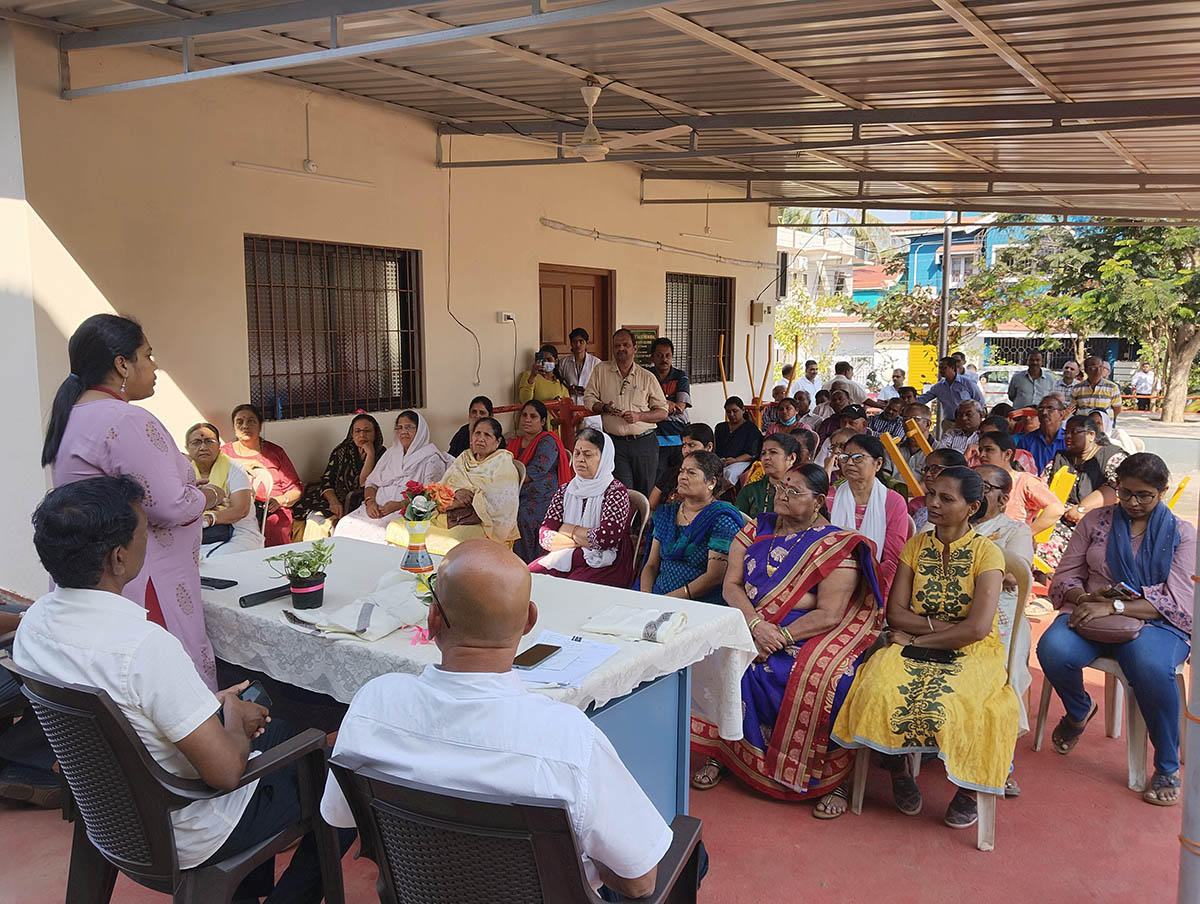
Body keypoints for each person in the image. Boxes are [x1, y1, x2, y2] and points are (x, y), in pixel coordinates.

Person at [16, 476, 354, 901]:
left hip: (105, 810)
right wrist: (233, 716)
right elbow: (227, 772)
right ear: (119, 558)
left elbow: (128, 713)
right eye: (145, 534)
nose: (151, 541)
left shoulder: (36, 624)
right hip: (185, 826)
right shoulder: (141, 646)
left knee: (280, 732)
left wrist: (213, 708)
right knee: (342, 769)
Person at [320, 539, 674, 898]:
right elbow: (639, 881)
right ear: (529, 621)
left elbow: (340, 815)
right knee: (688, 855)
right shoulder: (567, 739)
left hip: (422, 892)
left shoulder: (375, 704)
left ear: (433, 618)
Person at [690, 464, 885, 818]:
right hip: (750, 622)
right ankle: (725, 754)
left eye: (795, 492)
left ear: (818, 501)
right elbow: (731, 586)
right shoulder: (753, 531)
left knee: (831, 679)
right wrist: (755, 625)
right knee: (718, 657)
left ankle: (833, 779)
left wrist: (779, 635)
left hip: (807, 631)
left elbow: (829, 613)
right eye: (782, 487)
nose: (783, 495)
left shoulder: (833, 545)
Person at [41, 314, 221, 688]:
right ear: (123, 364)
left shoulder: (74, 414)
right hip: (138, 576)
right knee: (162, 685)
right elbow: (167, 505)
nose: (155, 367)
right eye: (149, 355)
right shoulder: (125, 419)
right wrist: (208, 495)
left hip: (92, 576)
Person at [832, 467, 1018, 828]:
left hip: (972, 651)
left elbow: (978, 629)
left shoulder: (987, 553)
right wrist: (937, 630)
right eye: (932, 494)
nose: (932, 503)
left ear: (972, 507)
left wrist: (920, 639)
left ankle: (968, 790)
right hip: (918, 640)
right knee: (878, 686)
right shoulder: (916, 545)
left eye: (946, 499)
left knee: (961, 701)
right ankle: (899, 767)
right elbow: (897, 614)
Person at [1037, 453, 1196, 806]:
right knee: (1053, 650)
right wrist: (1085, 598)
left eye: (1144, 495)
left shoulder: (1182, 534)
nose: (1133, 503)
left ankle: (1167, 764)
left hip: (1156, 622)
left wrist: (1112, 605)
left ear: (1162, 491)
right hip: (1091, 611)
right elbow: (1065, 576)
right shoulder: (1095, 521)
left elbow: (1177, 602)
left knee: (1151, 666)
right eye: (1125, 494)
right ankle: (1079, 711)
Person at [973, 464, 1036, 741]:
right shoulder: (943, 523)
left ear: (1003, 499)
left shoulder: (1015, 531)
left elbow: (1012, 577)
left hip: (1002, 607)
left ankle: (998, 749)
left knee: (1000, 663)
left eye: (984, 488)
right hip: (950, 604)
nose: (975, 493)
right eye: (971, 486)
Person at [530, 428, 634, 588]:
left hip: (606, 561)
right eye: (577, 453)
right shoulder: (566, 489)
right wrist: (581, 540)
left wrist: (568, 529)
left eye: (588, 454)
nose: (580, 459)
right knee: (529, 576)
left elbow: (605, 539)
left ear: (604, 458)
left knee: (571, 588)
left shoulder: (615, 491)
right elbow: (545, 536)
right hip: (567, 555)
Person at [333, 412, 453, 545]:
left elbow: (428, 495)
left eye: (408, 427)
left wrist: (398, 505)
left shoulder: (431, 457)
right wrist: (370, 502)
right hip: (375, 509)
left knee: (381, 534)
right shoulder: (391, 453)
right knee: (345, 525)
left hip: (403, 511)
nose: (403, 432)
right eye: (400, 428)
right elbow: (371, 482)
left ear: (420, 430)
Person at [640, 451, 744, 605]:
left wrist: (668, 599)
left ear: (711, 482)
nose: (682, 477)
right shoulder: (667, 514)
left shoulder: (721, 519)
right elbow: (651, 565)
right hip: (657, 597)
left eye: (691, 472)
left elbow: (714, 576)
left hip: (700, 603)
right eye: (681, 471)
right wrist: (646, 596)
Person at [583, 329, 669, 498]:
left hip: (644, 443)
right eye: (617, 345)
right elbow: (588, 398)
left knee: (644, 492)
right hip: (615, 443)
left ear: (635, 348)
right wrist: (604, 407)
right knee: (621, 492)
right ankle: (624, 525)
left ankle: (642, 525)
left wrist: (639, 416)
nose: (621, 348)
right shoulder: (601, 370)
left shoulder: (647, 376)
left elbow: (663, 411)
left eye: (626, 345)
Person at [1038, 414, 1128, 572]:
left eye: (1074, 432)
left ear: (1091, 435)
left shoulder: (1112, 457)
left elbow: (1115, 488)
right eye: (1066, 432)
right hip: (1058, 514)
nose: (1068, 437)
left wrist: (1081, 509)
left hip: (1096, 518)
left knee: (1047, 543)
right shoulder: (1062, 457)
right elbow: (1042, 485)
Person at [827, 434, 911, 597]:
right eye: (845, 457)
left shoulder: (893, 502)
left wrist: (874, 595)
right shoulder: (829, 497)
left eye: (858, 457)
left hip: (875, 585)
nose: (849, 462)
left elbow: (892, 560)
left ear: (878, 463)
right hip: (831, 582)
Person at [221, 404, 303, 547]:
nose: (245, 426)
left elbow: (296, 489)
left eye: (251, 421)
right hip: (236, 508)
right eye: (239, 422)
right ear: (233, 428)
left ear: (260, 426)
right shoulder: (224, 454)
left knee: (274, 525)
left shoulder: (275, 452)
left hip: (272, 509)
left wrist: (280, 500)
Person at [434, 417, 521, 547]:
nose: (481, 438)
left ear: (497, 442)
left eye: (487, 435)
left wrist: (471, 494)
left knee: (455, 540)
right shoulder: (464, 458)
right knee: (409, 526)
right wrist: (457, 492)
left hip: (483, 523)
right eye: (477, 433)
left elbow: (500, 501)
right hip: (452, 513)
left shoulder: (503, 463)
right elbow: (444, 485)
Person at [299, 413, 385, 538]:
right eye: (357, 431)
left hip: (363, 502)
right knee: (316, 521)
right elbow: (327, 480)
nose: (362, 435)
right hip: (334, 500)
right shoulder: (341, 452)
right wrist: (334, 501)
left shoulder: (383, 455)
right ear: (352, 434)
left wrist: (370, 455)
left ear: (375, 433)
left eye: (367, 431)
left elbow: (365, 484)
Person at [507, 400, 572, 563]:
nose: (527, 420)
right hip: (515, 491)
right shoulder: (514, 442)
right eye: (524, 415)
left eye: (533, 416)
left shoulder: (548, 441)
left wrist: (504, 479)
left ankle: (530, 564)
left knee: (521, 517)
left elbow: (535, 471)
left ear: (543, 422)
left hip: (542, 496)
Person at [186, 423, 263, 558]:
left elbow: (241, 510)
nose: (203, 447)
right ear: (187, 448)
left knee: (212, 560)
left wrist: (209, 519)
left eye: (209, 441)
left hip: (239, 532)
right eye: (196, 442)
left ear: (219, 445)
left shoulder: (234, 468)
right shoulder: (184, 471)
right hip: (198, 534)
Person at [976, 432, 1065, 539]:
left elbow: (1056, 508)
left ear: (1007, 454)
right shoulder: (976, 478)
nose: (981, 455)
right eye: (980, 450)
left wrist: (1026, 535)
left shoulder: (1025, 481)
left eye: (989, 450)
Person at [650, 337, 692, 480]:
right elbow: (641, 404)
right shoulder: (646, 376)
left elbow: (680, 407)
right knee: (658, 480)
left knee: (680, 478)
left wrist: (655, 406)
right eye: (659, 355)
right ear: (652, 357)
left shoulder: (681, 376)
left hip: (679, 438)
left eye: (668, 355)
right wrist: (668, 405)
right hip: (654, 437)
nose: (664, 359)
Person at [736, 433, 801, 518]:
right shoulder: (750, 491)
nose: (766, 457)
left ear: (792, 458)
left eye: (773, 452)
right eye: (763, 453)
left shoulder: (802, 492)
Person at [918, 356, 986, 422]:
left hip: (967, 421)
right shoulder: (939, 387)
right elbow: (924, 398)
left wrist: (978, 416)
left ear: (953, 368)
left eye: (944, 368)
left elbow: (979, 399)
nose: (941, 370)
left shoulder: (966, 382)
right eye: (940, 368)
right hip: (949, 423)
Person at [714, 396, 763, 485]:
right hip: (722, 460)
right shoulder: (720, 427)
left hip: (742, 461)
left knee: (729, 473)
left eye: (735, 411)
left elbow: (751, 453)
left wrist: (735, 460)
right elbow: (716, 447)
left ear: (743, 410)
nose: (731, 414)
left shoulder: (751, 429)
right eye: (728, 412)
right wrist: (720, 460)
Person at [1016, 395, 1068, 474]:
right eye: (1040, 409)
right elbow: (1019, 471)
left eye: (1050, 408)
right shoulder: (1026, 440)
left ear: (1061, 414)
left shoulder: (1068, 440)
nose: (1044, 412)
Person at [1071, 356, 1122, 431]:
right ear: (1086, 370)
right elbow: (1073, 409)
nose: (1098, 370)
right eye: (1093, 367)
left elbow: (1117, 409)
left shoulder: (1112, 387)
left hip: (1103, 430)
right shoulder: (1077, 388)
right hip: (1083, 429)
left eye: (1101, 367)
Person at [559, 327, 602, 408]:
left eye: (581, 341)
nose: (578, 345)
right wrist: (569, 389)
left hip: (590, 408)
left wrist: (588, 391)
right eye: (574, 342)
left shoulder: (596, 363)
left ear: (586, 343)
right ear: (571, 344)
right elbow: (559, 384)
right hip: (570, 406)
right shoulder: (563, 363)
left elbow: (602, 386)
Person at [898, 403, 934, 477]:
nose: (907, 423)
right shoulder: (895, 448)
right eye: (904, 419)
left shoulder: (939, 451)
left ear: (928, 424)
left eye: (914, 419)